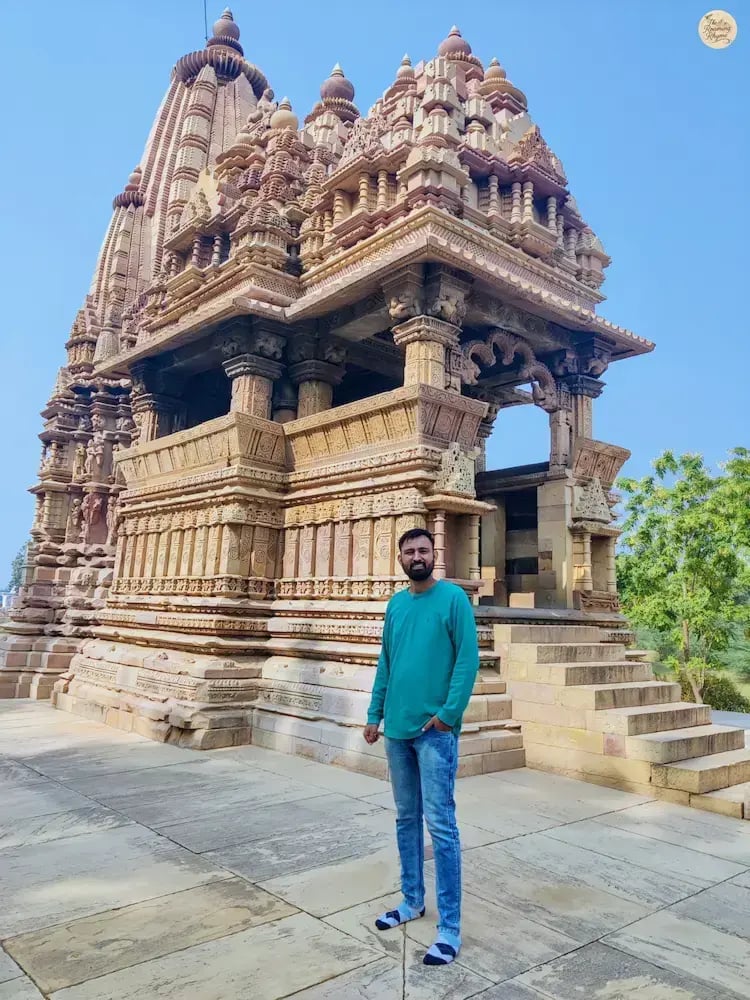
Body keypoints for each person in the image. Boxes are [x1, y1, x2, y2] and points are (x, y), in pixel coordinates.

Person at [364, 527, 479, 967]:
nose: (417, 556)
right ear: (400, 558)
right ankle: (412, 900)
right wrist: (375, 715)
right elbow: (386, 663)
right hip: (397, 730)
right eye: (409, 551)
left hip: (435, 732)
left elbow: (467, 661)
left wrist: (449, 715)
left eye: (423, 550)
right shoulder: (396, 605)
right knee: (405, 819)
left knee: (442, 827)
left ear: (436, 555)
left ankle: (449, 927)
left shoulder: (453, 601)